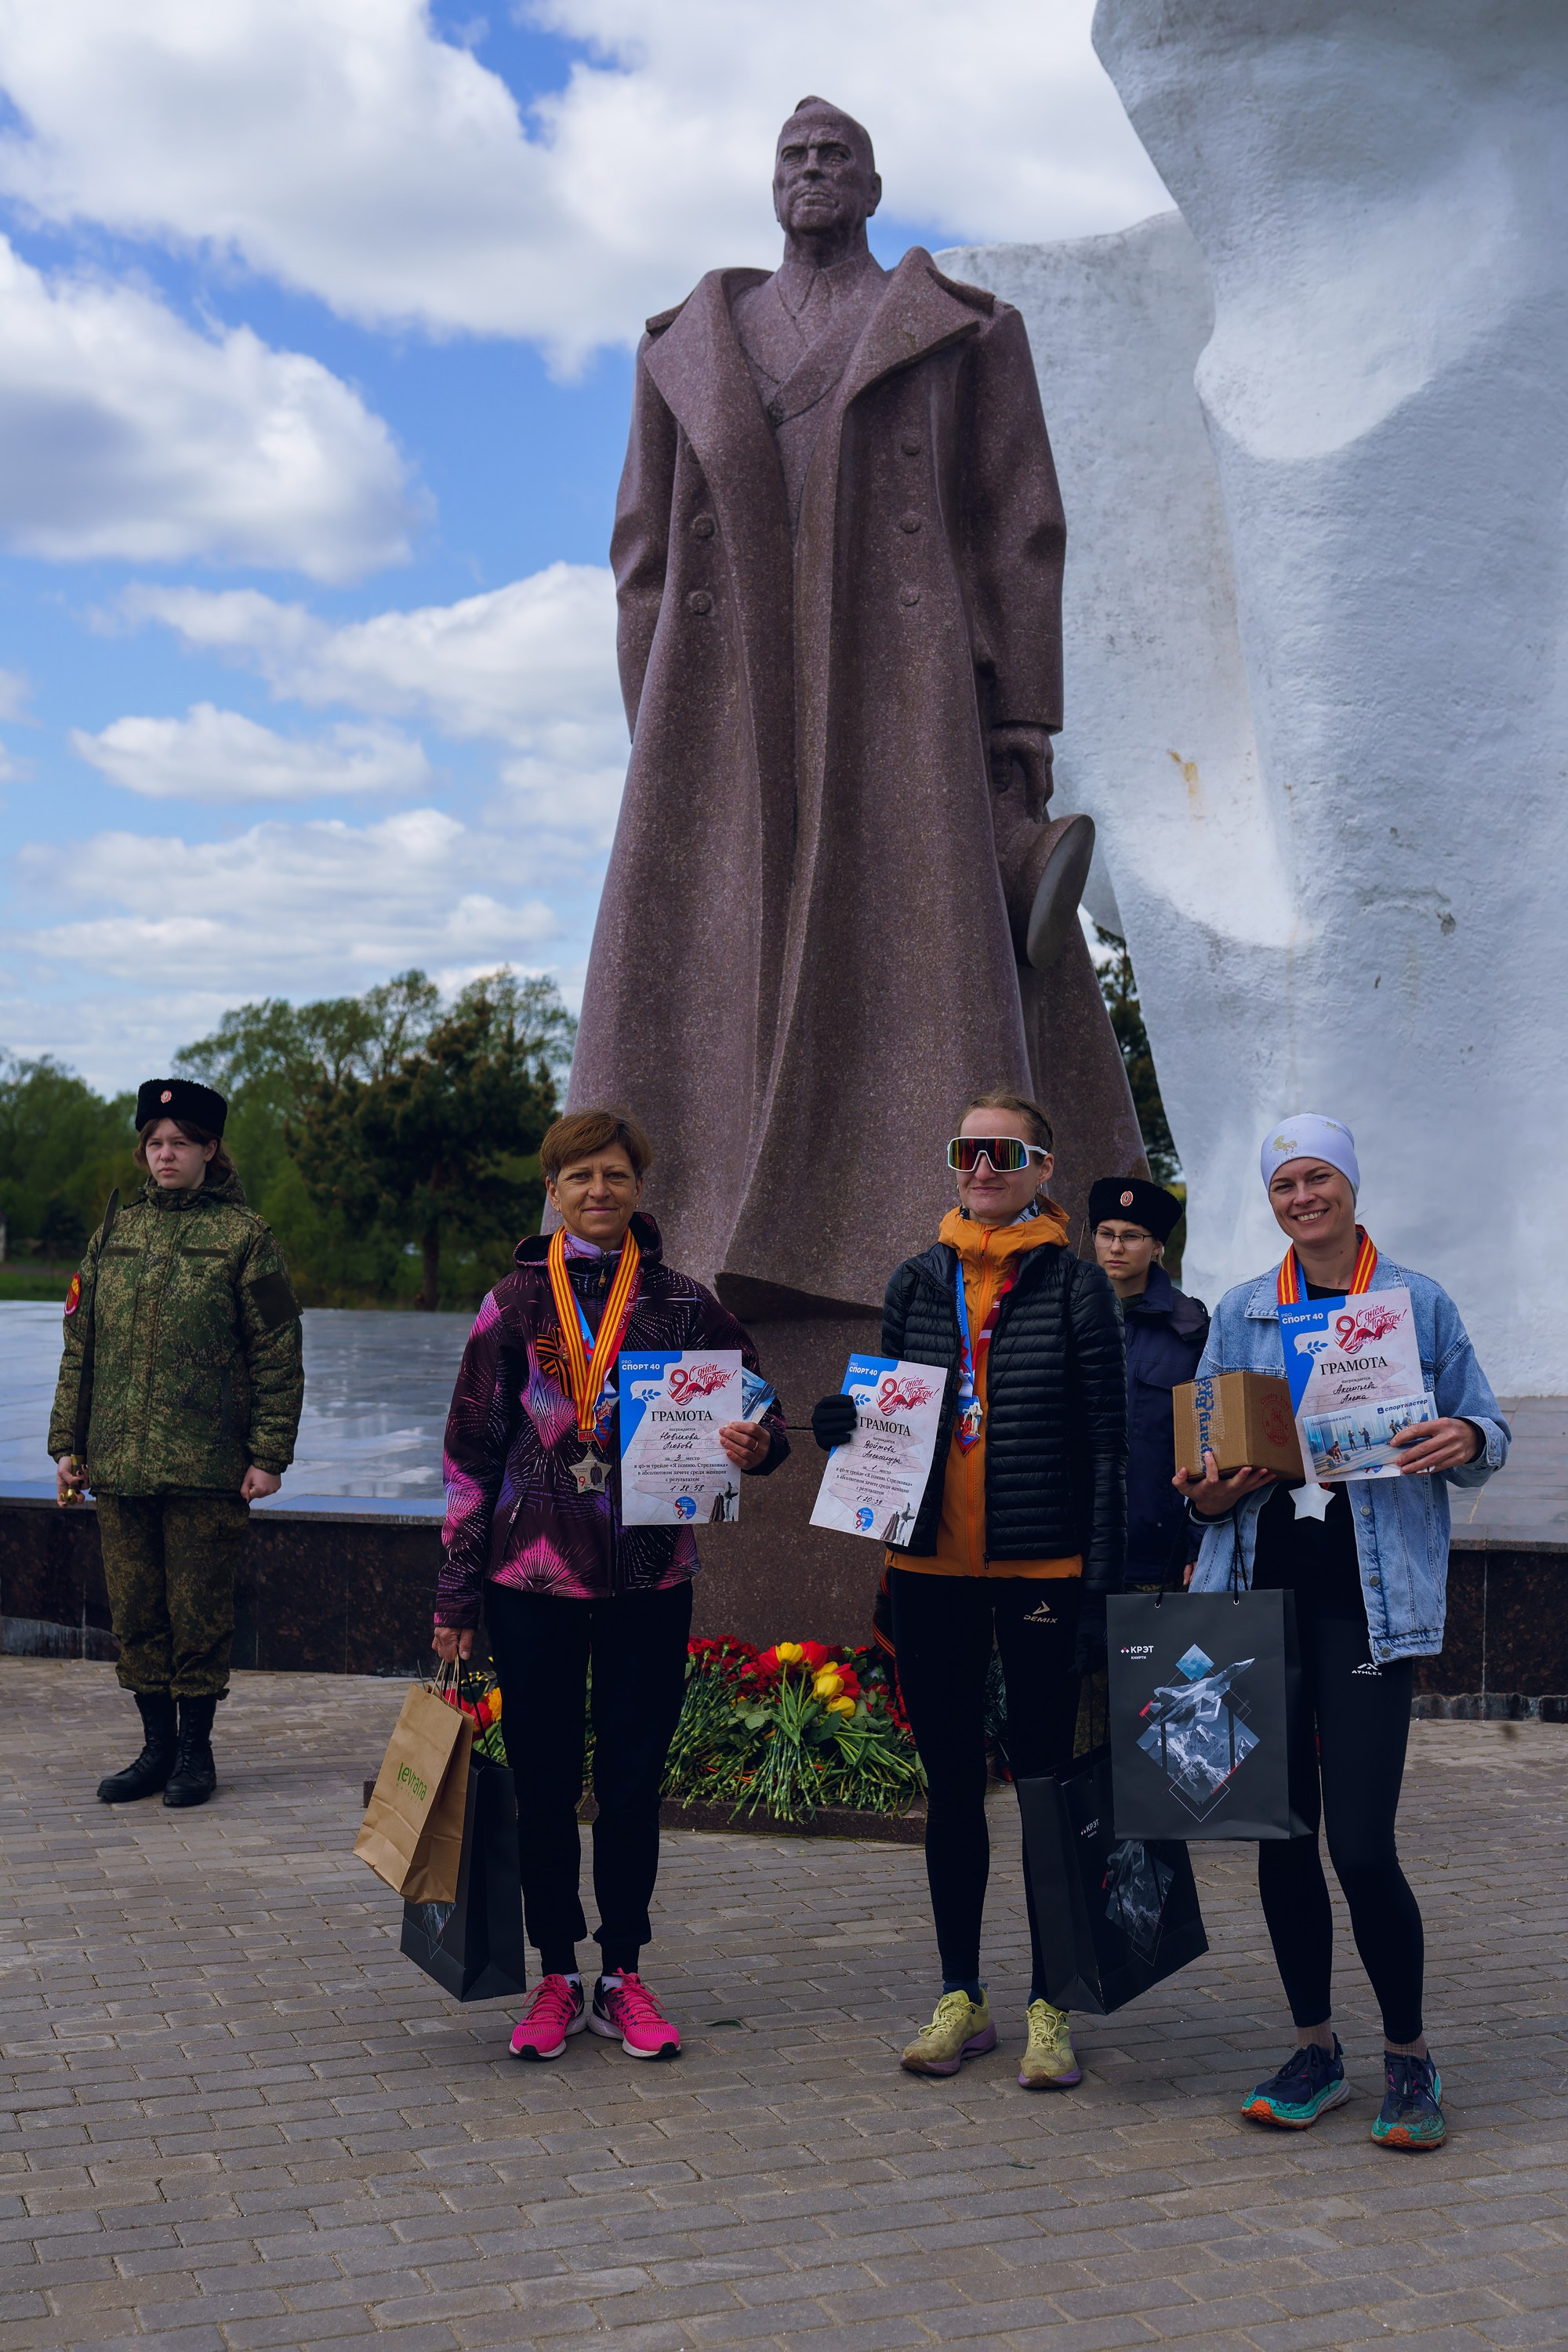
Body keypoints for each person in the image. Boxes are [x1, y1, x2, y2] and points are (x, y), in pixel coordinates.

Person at [1177, 1113, 1509, 2151]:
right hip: (1257, 1600)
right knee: (1280, 1839)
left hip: (1367, 1606)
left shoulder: (1415, 1304)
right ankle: (1315, 2048)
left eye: (1319, 1178)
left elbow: (1484, 1428)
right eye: (1285, 1185)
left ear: (1352, 1187)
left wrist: (1464, 1436)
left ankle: (1410, 2060)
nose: (1303, 1197)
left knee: (1362, 1846)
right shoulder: (1239, 1311)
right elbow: (1199, 1473)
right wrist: (1211, 1491)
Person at [434, 1109, 789, 2066]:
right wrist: (454, 1599)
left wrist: (758, 1445)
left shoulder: (683, 1303)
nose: (599, 1191)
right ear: (551, 1189)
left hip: (648, 1577)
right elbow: (468, 1458)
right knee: (545, 1786)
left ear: (639, 1189)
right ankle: (556, 1973)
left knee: (632, 1786)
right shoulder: (510, 1305)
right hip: (530, 1580)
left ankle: (623, 1972)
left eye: (617, 1176)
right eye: (580, 1176)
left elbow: (762, 1412)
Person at [811, 1091, 1125, 2091]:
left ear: (1041, 1167)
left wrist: (1099, 1594)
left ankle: (1047, 2005)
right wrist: (839, 1428)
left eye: (1002, 1152)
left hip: (1041, 1572)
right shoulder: (916, 1279)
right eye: (965, 1150)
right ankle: (961, 1996)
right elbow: (883, 1420)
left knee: (1039, 1790)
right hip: (928, 1571)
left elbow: (1109, 1452)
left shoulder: (1077, 1289)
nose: (980, 1168)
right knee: (951, 1789)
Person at [49, 1079, 303, 1809]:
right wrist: (69, 1439)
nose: (166, 1155)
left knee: (198, 1614)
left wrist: (268, 1454)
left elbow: (279, 1351)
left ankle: (196, 1753)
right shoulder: (115, 1233)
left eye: (181, 1143)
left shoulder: (247, 1239)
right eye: (156, 1144)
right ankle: (155, 1749)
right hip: (121, 1465)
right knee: (136, 1615)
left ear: (209, 1150)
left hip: (207, 1467)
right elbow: (80, 1344)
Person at [1090, 1177, 1208, 1590]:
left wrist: (1198, 1548)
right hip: (1063, 1552)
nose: (1116, 1247)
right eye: (1106, 1234)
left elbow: (1208, 1453)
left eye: (1132, 1236)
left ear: (1157, 1245)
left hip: (1152, 1559)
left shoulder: (1192, 1335)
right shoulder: (1059, 1320)